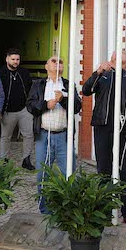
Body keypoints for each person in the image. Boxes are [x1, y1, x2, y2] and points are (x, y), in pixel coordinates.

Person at [82, 50, 126, 223]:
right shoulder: (103, 75)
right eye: (117, 58)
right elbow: (86, 90)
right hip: (103, 125)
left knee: (125, 171)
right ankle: (104, 212)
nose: (121, 62)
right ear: (111, 60)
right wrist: (98, 72)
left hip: (124, 127)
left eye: (124, 60)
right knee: (103, 170)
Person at [28, 55, 80, 215]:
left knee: (68, 173)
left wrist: (63, 99)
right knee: (43, 173)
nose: (58, 64)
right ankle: (44, 209)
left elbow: (77, 106)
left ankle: (68, 208)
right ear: (46, 66)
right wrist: (45, 105)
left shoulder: (68, 85)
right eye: (54, 61)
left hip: (63, 135)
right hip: (44, 135)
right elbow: (30, 105)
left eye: (61, 62)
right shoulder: (38, 85)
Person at [0, 48, 35, 169]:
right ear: (7, 59)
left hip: (24, 110)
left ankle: (26, 160)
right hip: (7, 111)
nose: (15, 61)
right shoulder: (0, 73)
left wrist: (30, 105)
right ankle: (4, 159)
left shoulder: (24, 72)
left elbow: (30, 88)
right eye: (13, 59)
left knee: (28, 135)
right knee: (6, 136)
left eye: (17, 59)